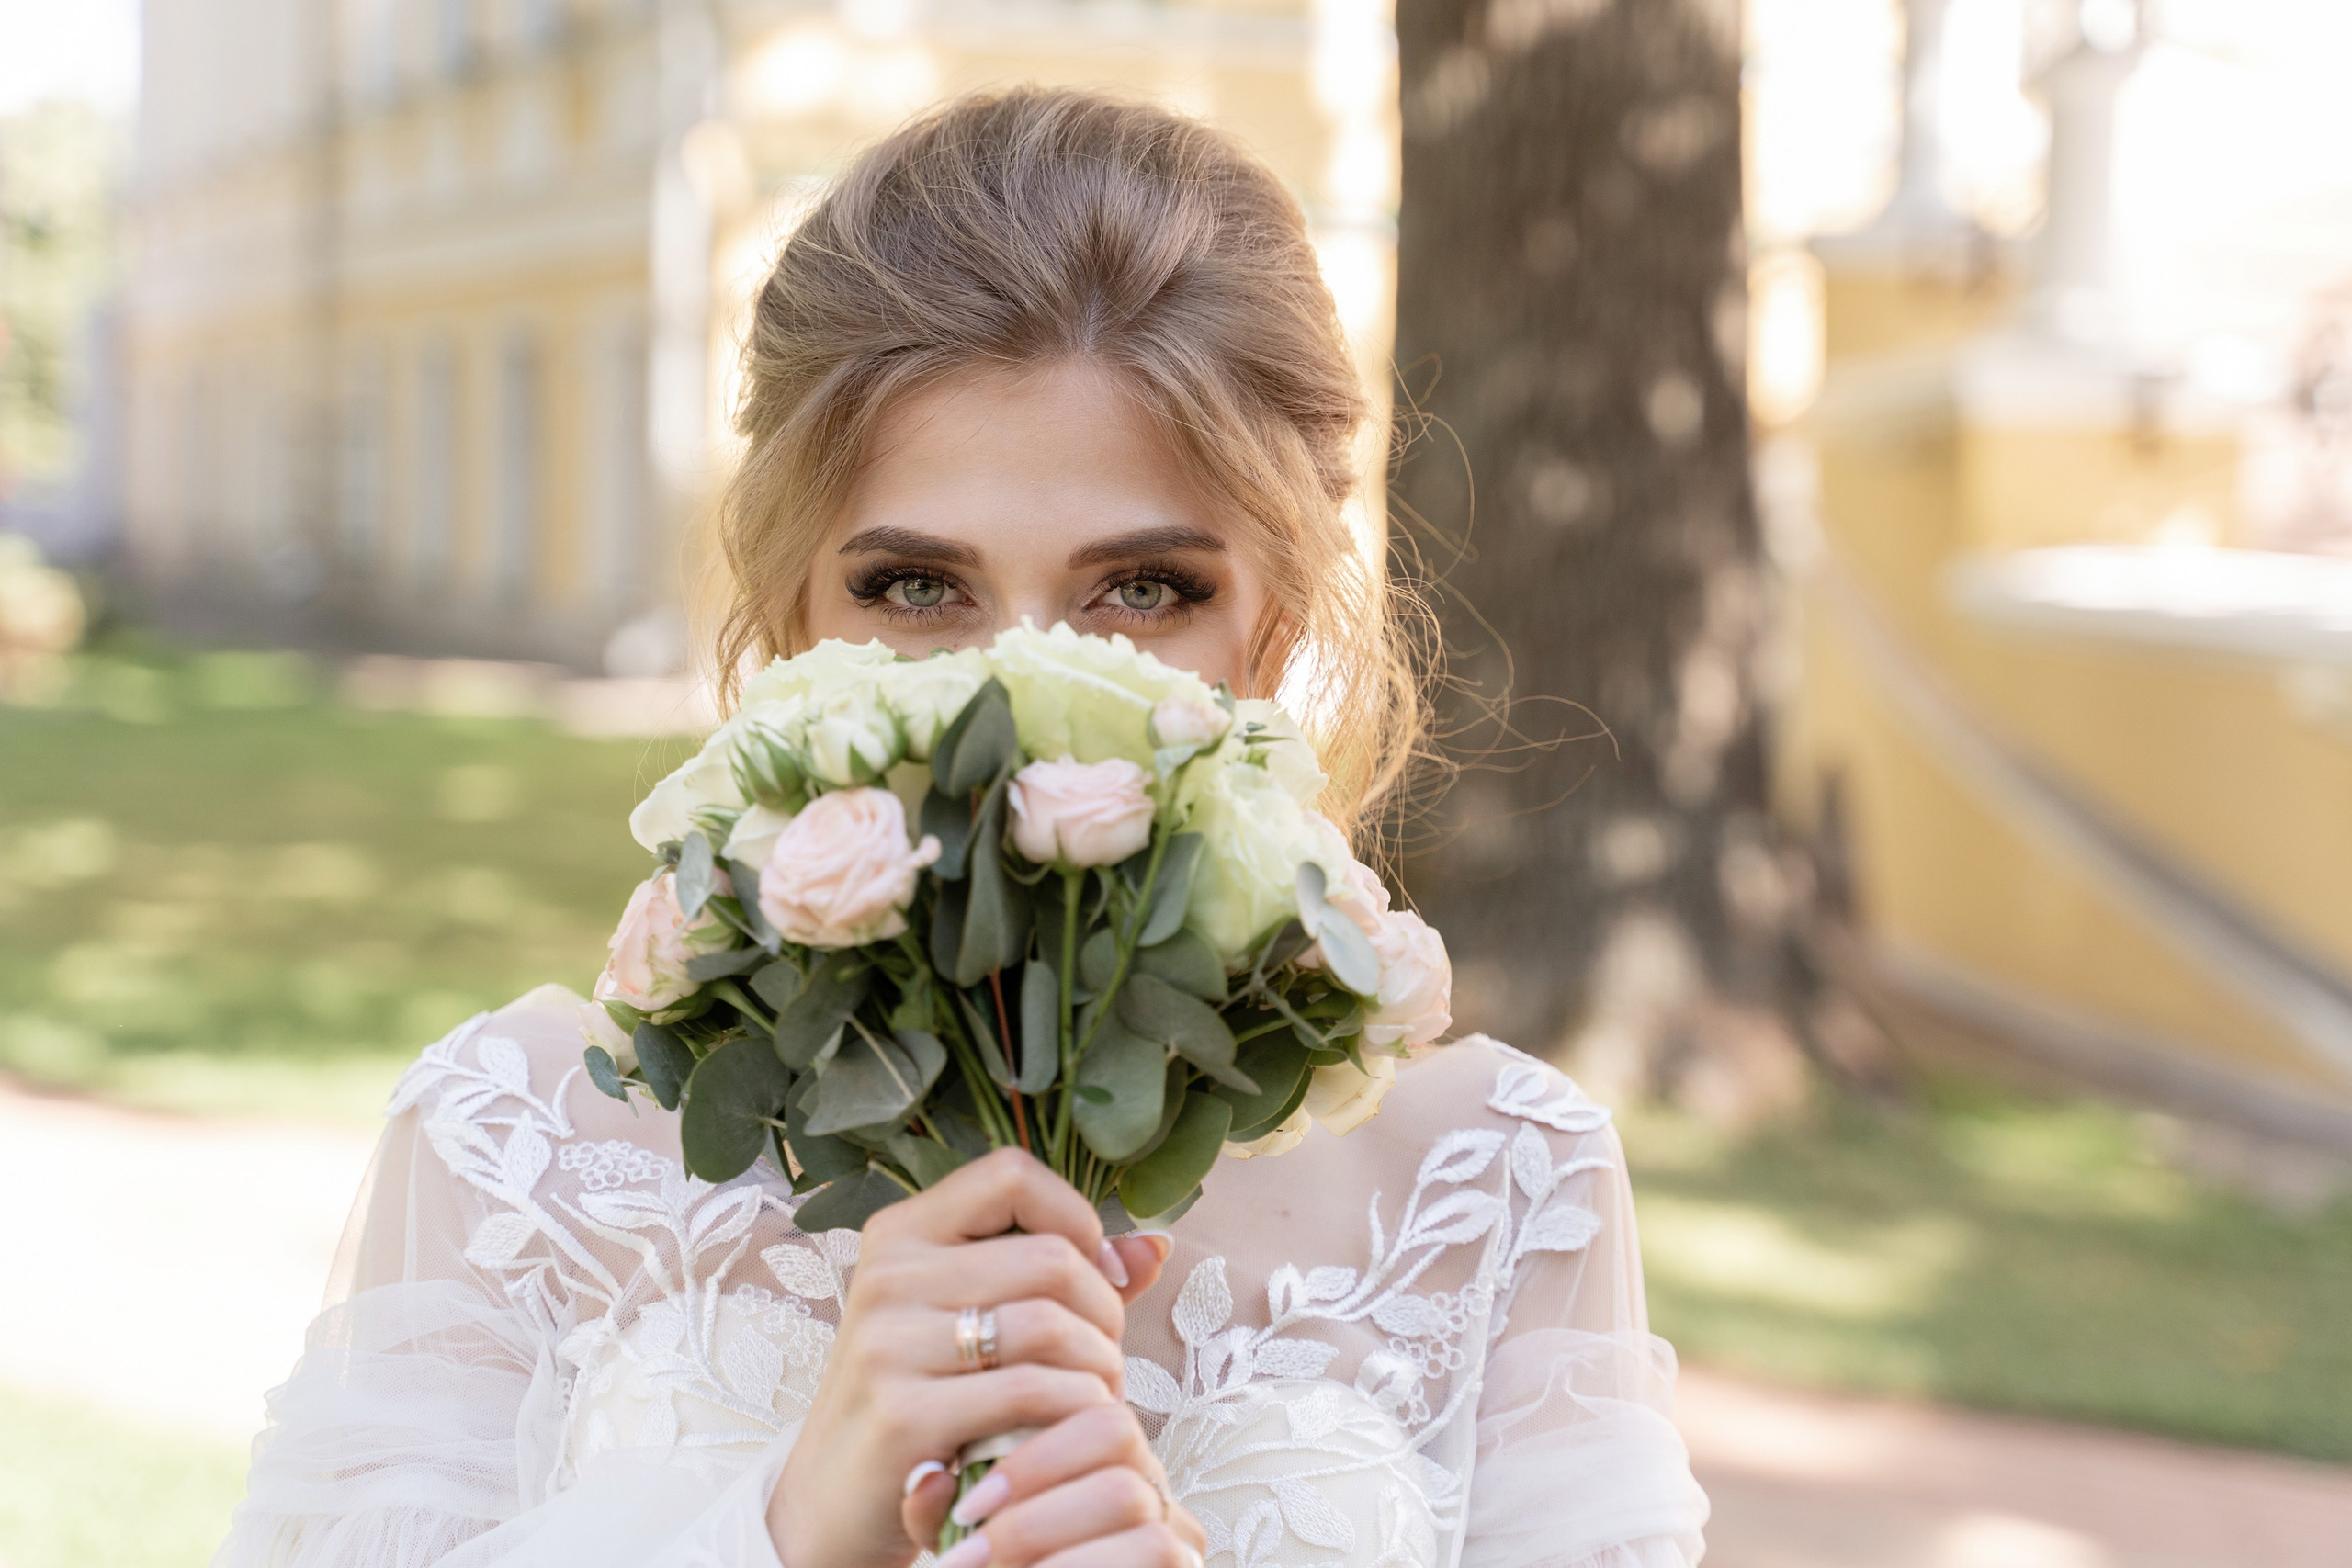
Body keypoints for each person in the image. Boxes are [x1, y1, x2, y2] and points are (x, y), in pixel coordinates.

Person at [214, 87, 1710, 1568]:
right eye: (918, 590)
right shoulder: (521, 1146)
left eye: (1143, 591)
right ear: (793, 612)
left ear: (1276, 619)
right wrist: (783, 1535)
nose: (1022, 695)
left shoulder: (1500, 1187)